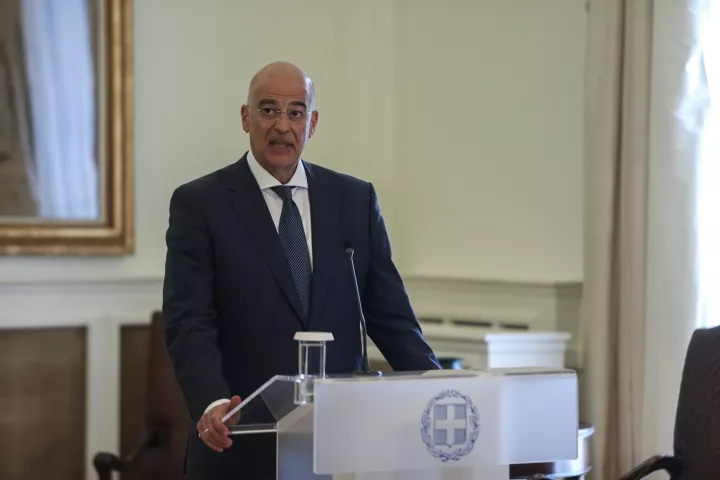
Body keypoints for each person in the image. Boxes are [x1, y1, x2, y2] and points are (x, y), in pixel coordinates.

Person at [162, 61, 441, 479]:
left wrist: (440, 386)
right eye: (269, 110)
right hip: (241, 441)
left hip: (340, 445)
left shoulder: (354, 199)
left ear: (312, 123)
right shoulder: (201, 204)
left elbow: (391, 317)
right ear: (246, 117)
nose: (282, 125)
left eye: (295, 112)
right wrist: (212, 400)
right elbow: (189, 320)